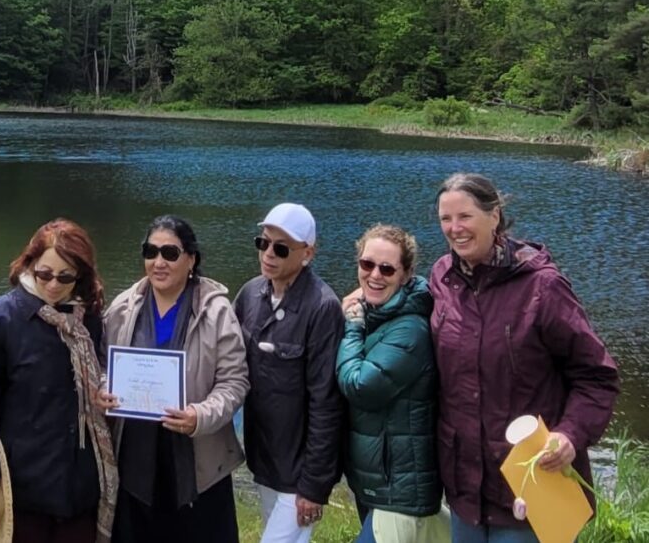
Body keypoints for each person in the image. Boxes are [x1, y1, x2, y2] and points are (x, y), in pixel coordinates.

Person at [430, 173, 620, 542]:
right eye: (445, 219)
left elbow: (597, 377)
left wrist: (570, 434)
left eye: (465, 216)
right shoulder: (442, 277)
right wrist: (366, 303)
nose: (454, 228)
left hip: (533, 485)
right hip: (465, 486)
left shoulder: (542, 287)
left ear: (494, 216)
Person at [0, 219, 118, 543]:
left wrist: (104, 389)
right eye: (44, 274)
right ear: (30, 264)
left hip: (80, 481)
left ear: (80, 275)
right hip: (25, 482)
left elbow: (101, 369)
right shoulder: (5, 317)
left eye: (65, 277)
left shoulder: (89, 317)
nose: (53, 285)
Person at [98, 215, 248, 543]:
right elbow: (102, 367)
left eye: (170, 253)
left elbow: (234, 382)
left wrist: (199, 416)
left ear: (191, 259)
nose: (158, 262)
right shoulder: (123, 307)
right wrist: (105, 388)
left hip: (198, 461)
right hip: (134, 461)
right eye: (150, 252)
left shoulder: (217, 312)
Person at [232, 203, 343, 543]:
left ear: (307, 253)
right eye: (262, 243)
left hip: (299, 472)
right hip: (264, 460)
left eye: (281, 248)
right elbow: (225, 361)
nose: (268, 254)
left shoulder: (323, 307)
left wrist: (314, 484)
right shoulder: (250, 294)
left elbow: (327, 403)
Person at [336, 224, 449, 543]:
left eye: (387, 269)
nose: (375, 275)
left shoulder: (410, 330)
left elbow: (360, 386)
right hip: (379, 484)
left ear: (406, 274)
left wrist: (352, 327)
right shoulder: (378, 314)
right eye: (367, 264)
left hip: (399, 492)